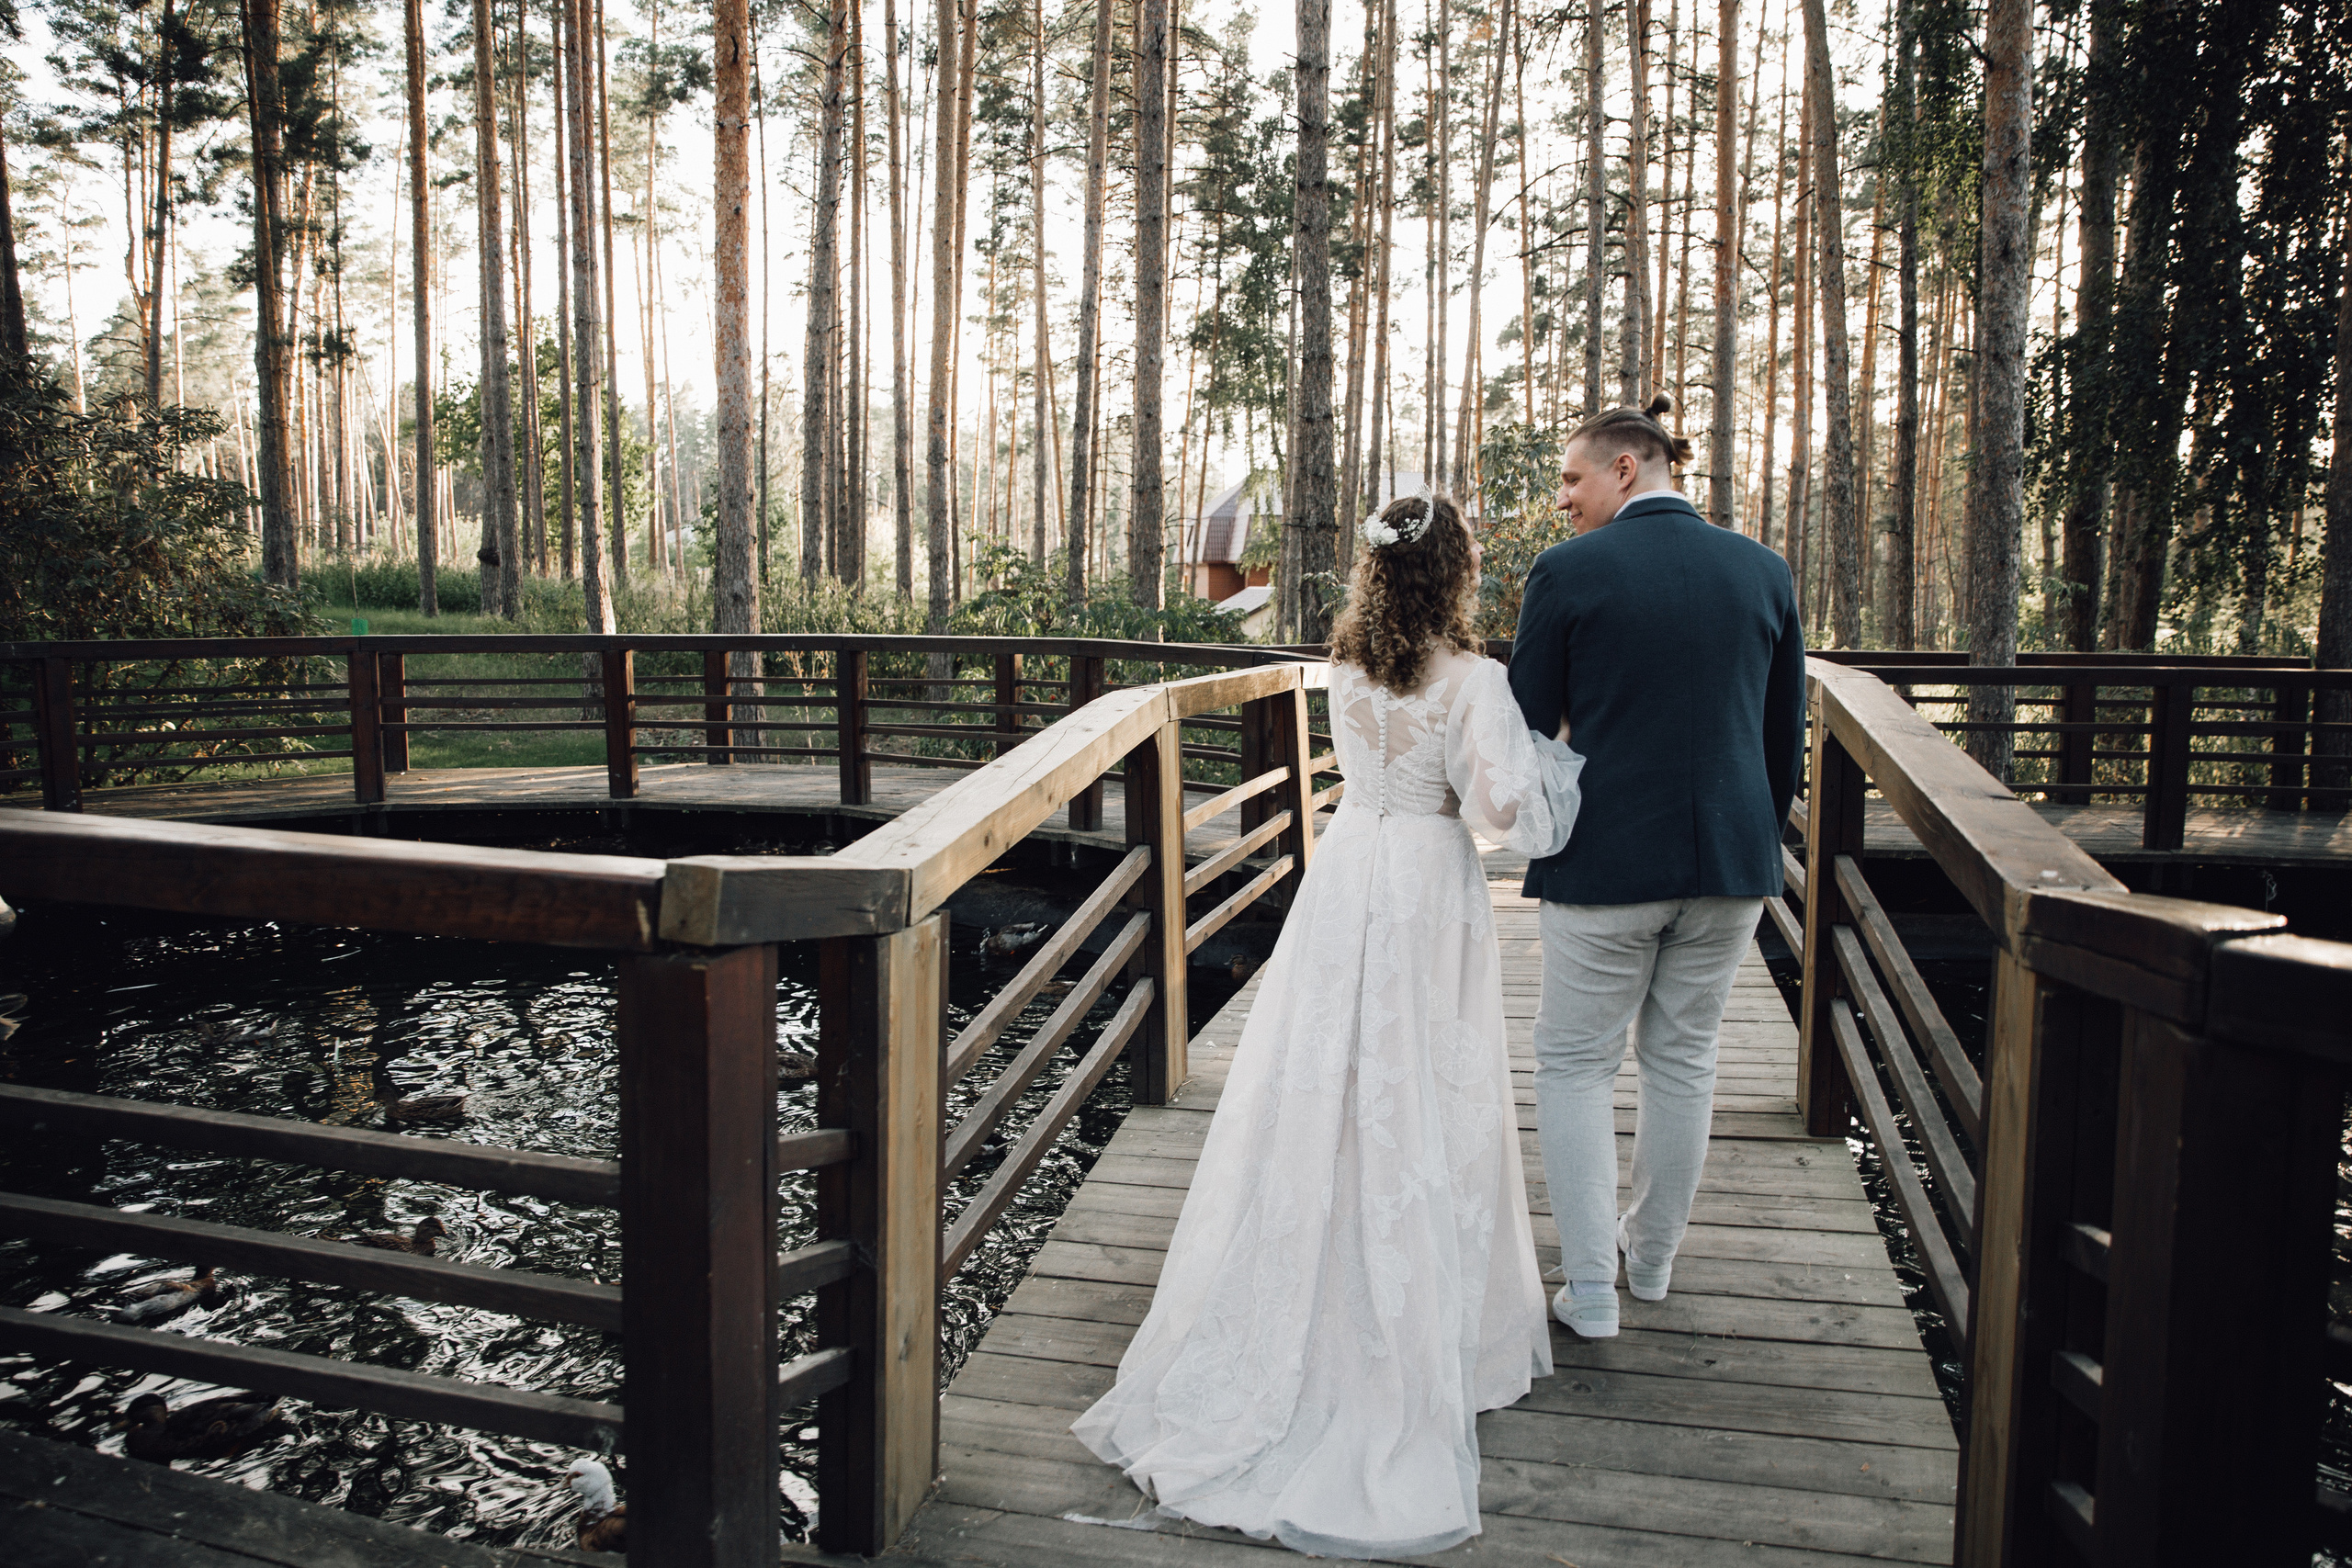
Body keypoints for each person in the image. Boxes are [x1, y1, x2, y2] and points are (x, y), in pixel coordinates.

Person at [1073, 488, 1587, 1559]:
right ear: (1456, 574)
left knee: (1328, 1066)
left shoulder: (1342, 668)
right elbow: (1502, 815)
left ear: (1373, 573)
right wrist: (1553, 757)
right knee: (1427, 1074)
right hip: (1428, 881)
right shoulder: (1476, 681)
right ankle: (1418, 1322)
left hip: (1352, 867)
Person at [1506, 394, 1807, 1341]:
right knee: (1683, 1059)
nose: (1564, 498)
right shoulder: (1763, 571)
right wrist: (1750, 829)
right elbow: (1780, 739)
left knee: (1574, 1064)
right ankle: (1655, 1263)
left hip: (1605, 862)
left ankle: (1591, 1288)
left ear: (1624, 468)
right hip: (1733, 858)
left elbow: (1523, 728)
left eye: (1571, 477)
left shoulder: (1566, 572)